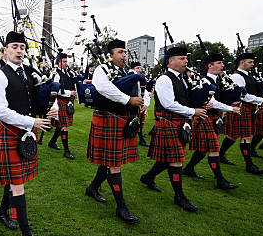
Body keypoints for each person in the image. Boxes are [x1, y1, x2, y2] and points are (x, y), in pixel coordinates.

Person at [0, 31, 58, 236]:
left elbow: (35, 100)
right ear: (6, 50)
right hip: (10, 133)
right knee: (18, 184)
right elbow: (0, 111)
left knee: (14, 179)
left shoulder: (29, 73)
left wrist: (50, 108)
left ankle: (2, 212)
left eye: (22, 47)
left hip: (25, 133)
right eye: (15, 47)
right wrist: (32, 121)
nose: (20, 50)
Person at [140, 46, 206, 212]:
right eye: (182, 58)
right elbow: (169, 103)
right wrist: (193, 111)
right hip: (168, 122)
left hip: (178, 123)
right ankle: (179, 197)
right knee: (175, 160)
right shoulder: (164, 79)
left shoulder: (183, 79)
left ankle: (148, 177)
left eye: (186, 58)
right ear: (170, 61)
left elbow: (185, 99)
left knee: (167, 159)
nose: (186, 61)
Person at [85, 40, 145, 223]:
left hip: (123, 119)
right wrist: (128, 100)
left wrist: (143, 103)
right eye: (120, 52)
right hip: (108, 118)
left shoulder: (127, 72)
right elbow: (104, 88)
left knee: (110, 160)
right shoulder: (101, 69)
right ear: (110, 55)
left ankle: (93, 188)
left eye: (125, 52)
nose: (124, 55)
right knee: (114, 164)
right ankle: (121, 207)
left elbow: (140, 90)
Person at [181, 53, 241, 189]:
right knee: (214, 149)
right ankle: (221, 181)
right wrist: (231, 108)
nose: (222, 65)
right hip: (204, 117)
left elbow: (221, 98)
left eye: (222, 63)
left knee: (203, 149)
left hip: (214, 117)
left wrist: (232, 101)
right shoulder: (203, 80)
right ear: (210, 66)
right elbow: (212, 102)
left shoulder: (220, 80)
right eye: (219, 63)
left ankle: (189, 169)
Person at [219, 53, 263, 174]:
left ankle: (220, 155)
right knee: (245, 137)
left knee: (233, 136)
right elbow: (243, 96)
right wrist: (262, 100)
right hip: (242, 108)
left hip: (249, 108)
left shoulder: (249, 75)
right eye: (250, 62)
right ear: (242, 62)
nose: (253, 64)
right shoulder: (237, 76)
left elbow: (254, 91)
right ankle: (249, 165)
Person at [49, 51, 77, 160]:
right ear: (59, 62)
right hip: (60, 100)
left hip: (69, 101)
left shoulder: (68, 72)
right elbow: (55, 90)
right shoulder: (55, 74)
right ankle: (66, 151)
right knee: (64, 126)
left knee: (61, 125)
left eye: (67, 61)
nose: (66, 63)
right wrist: (70, 93)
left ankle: (52, 142)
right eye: (64, 61)